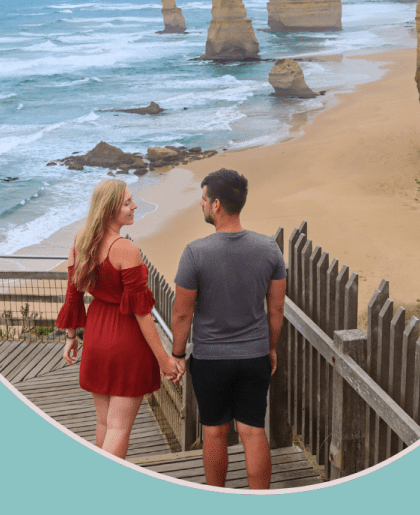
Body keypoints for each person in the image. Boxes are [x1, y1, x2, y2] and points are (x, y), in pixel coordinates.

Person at [170, 169, 286, 489]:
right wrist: (270, 348)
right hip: (254, 355)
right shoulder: (269, 249)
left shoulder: (195, 252)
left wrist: (177, 354)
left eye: (204, 199)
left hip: (210, 360)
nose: (201, 204)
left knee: (214, 432)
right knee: (252, 430)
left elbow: (182, 313)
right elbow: (276, 309)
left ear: (217, 204)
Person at [55, 179, 183, 459]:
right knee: (119, 428)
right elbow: (141, 312)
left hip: (96, 336)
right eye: (127, 202)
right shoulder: (125, 249)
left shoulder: (81, 240)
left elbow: (73, 294)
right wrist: (164, 360)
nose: (135, 205)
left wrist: (71, 337)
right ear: (110, 209)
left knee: (104, 423)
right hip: (125, 339)